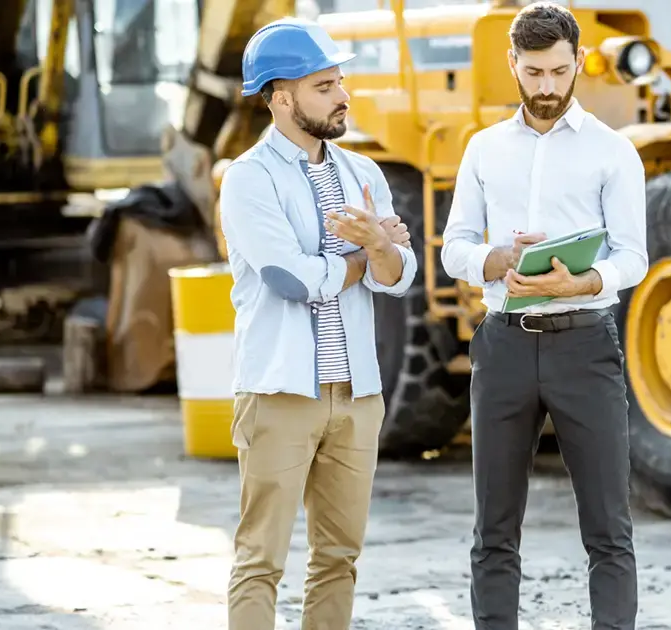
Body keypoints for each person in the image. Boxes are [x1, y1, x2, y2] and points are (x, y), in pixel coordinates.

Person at [440, 3, 649, 628]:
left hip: (585, 347)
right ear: (513, 64)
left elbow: (633, 257)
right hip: (503, 346)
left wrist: (582, 280)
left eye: (559, 71)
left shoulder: (614, 152)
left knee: (608, 528)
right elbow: (454, 248)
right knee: (494, 528)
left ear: (579, 61)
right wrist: (498, 259)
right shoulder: (483, 149)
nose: (548, 87)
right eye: (534, 72)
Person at [217, 16, 417, 630]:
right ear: (282, 98)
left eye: (340, 82)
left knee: (339, 559)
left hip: (356, 395)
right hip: (280, 393)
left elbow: (399, 277)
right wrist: (368, 252)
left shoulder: (363, 174)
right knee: (261, 560)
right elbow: (291, 279)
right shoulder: (249, 178)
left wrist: (378, 252)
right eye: (324, 86)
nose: (342, 95)